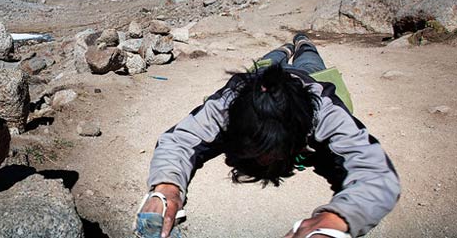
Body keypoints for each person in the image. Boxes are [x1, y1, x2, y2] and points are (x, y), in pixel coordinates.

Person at [135, 34, 400, 238]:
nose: (261, 162)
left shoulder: (325, 111)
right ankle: (284, 50)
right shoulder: (225, 104)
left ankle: (302, 42)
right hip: (262, 77)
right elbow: (179, 140)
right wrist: (166, 188)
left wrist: (331, 221)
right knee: (268, 61)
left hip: (307, 77)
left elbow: (377, 174)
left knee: (309, 58)